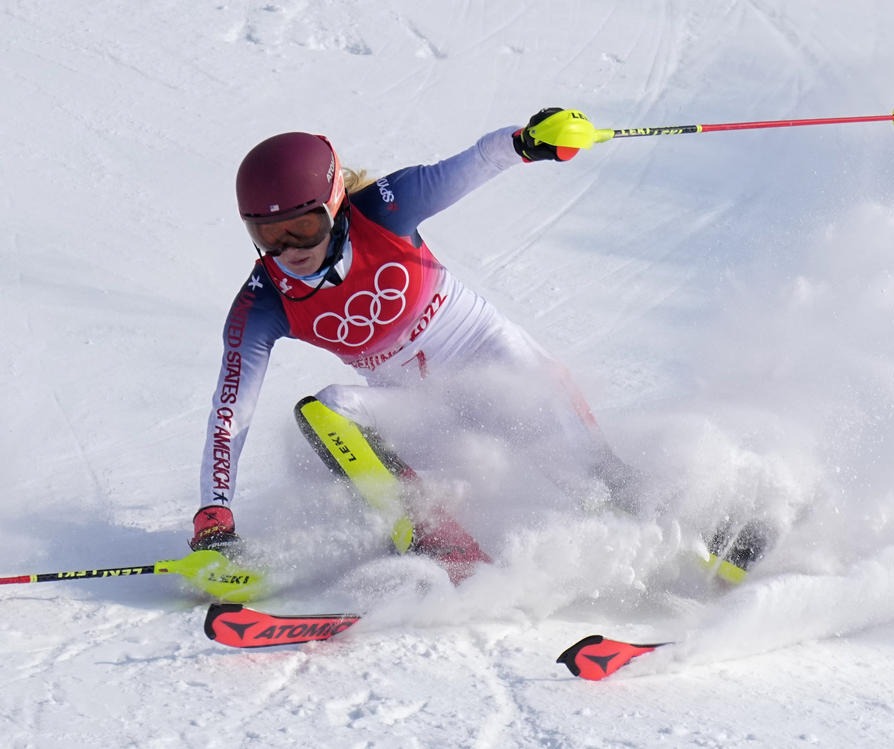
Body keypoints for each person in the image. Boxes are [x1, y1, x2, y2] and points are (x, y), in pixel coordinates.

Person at [189, 108, 638, 578]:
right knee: (325, 411)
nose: (290, 250)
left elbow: (480, 160)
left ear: (334, 204)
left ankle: (662, 524)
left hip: (494, 365)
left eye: (303, 227)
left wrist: (529, 141)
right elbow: (230, 412)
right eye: (268, 235)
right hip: (428, 414)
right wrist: (213, 517)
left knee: (585, 470)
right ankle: (440, 542)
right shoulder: (261, 304)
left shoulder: (385, 210)